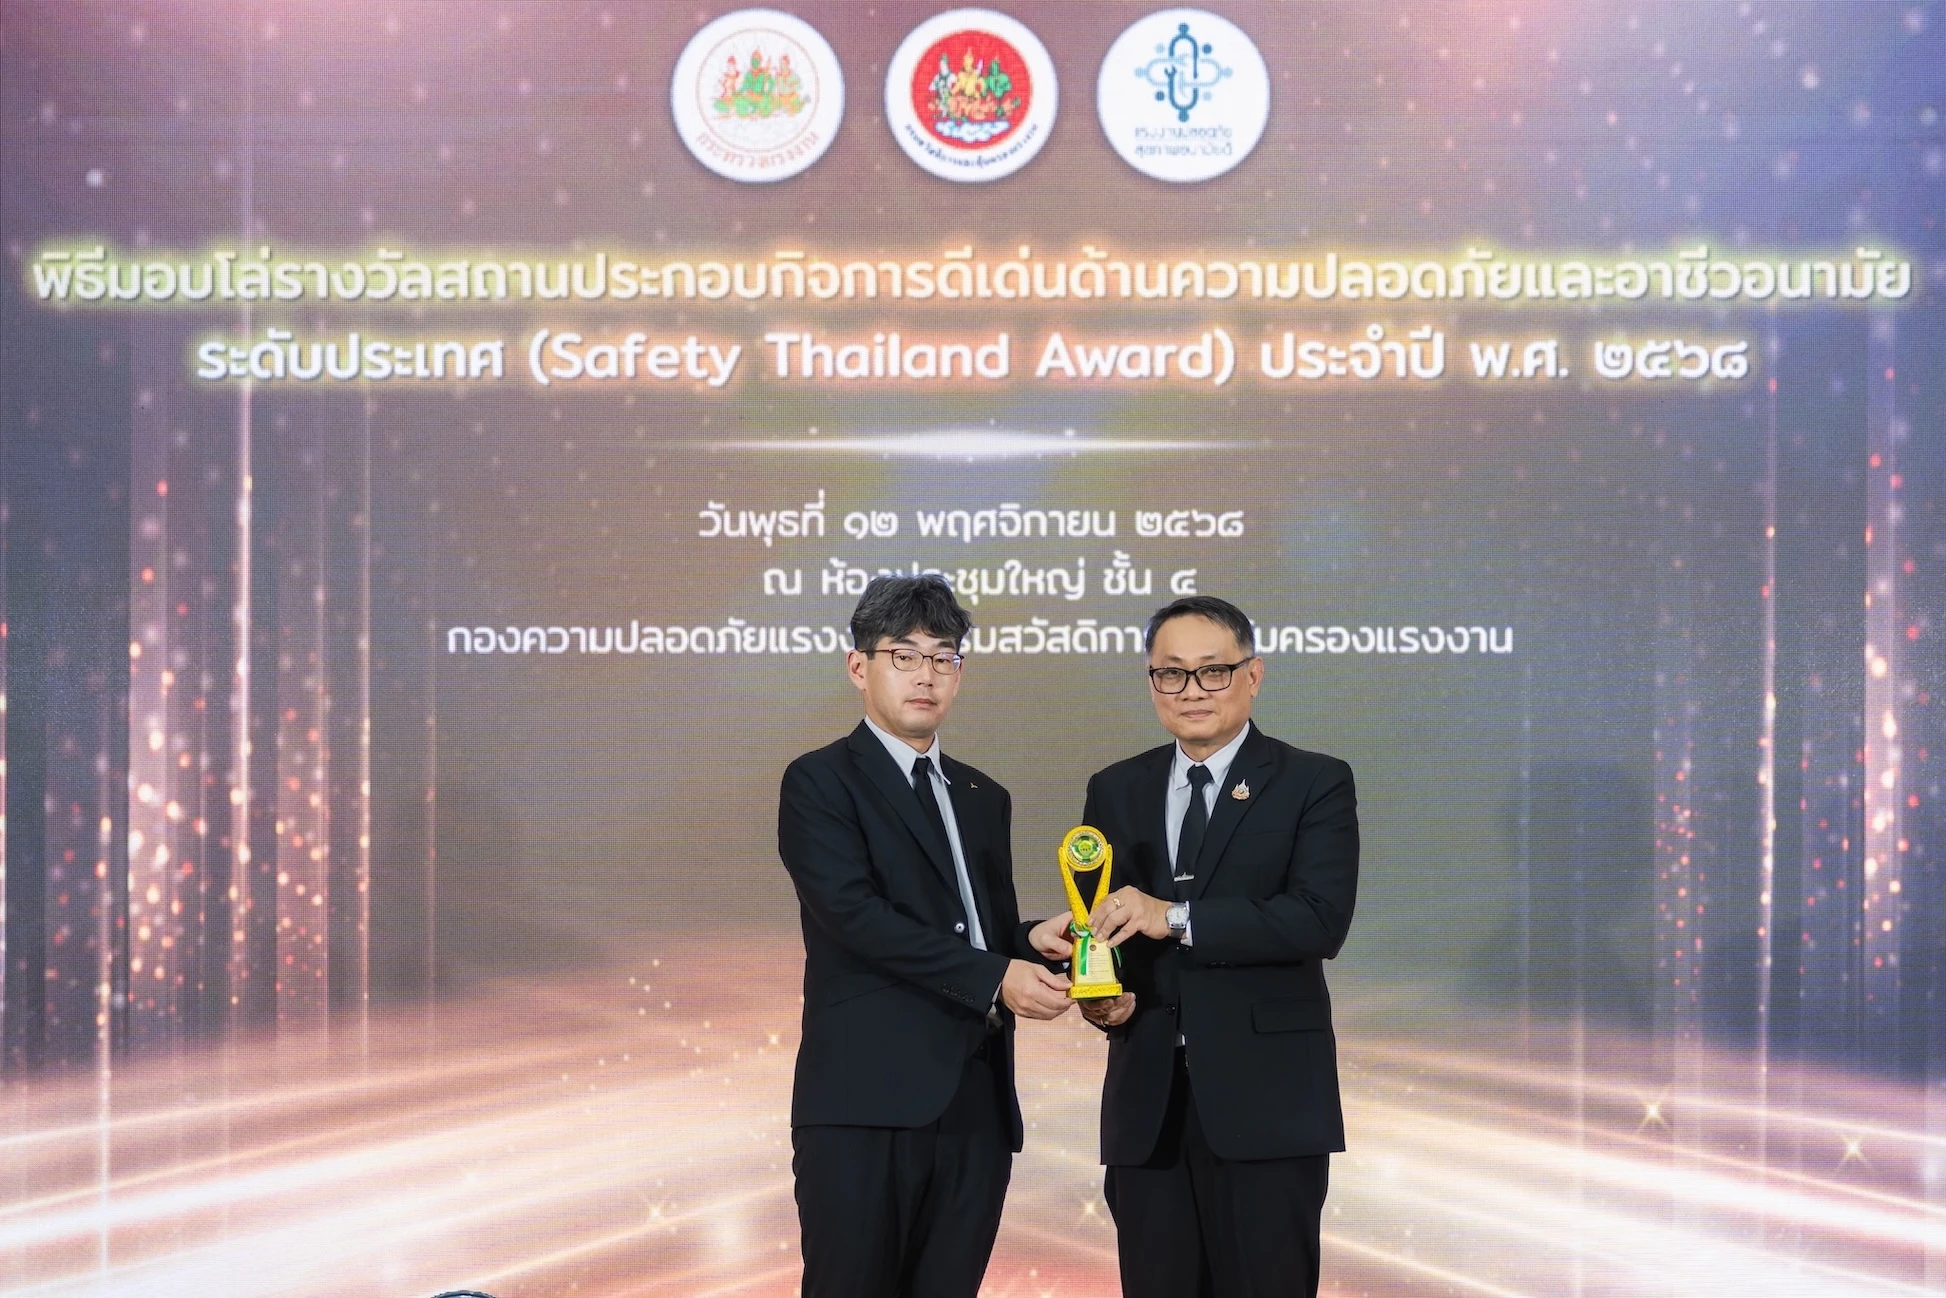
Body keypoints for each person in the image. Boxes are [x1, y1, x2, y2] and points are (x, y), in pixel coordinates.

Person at [1053, 595, 1359, 1298]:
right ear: (1152, 681)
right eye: (1171, 673)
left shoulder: (1313, 780)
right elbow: (1110, 928)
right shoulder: (1116, 788)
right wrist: (1103, 999)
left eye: (1212, 671)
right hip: (1148, 1107)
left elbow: (1318, 919)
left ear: (1254, 675)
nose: (1191, 690)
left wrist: (1175, 917)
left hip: (1268, 1105)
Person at [778, 575, 1075, 1298]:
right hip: (865, 1104)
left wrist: (1033, 941)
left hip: (976, 1103)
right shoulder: (820, 781)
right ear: (859, 667)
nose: (926, 676)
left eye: (943, 658)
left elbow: (976, 928)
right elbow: (854, 916)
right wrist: (995, 975)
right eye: (904, 656)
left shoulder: (983, 795)